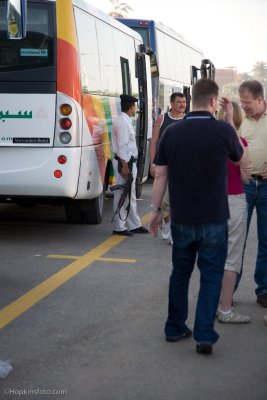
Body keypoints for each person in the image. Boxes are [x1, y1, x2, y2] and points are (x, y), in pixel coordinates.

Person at [149, 79, 245, 355]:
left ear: (192, 101)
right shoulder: (223, 132)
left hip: (181, 218)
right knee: (211, 276)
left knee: (180, 273)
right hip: (214, 218)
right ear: (214, 101)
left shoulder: (172, 132)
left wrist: (156, 212)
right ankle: (204, 335)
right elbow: (239, 159)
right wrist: (228, 121)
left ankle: (174, 326)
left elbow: (161, 175)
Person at [217, 101, 251, 323]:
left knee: (213, 256)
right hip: (235, 201)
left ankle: (209, 304)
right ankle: (225, 310)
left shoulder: (211, 141)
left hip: (212, 201)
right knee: (231, 259)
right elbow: (246, 175)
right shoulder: (241, 143)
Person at [237, 80, 267, 307]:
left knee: (266, 241)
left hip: (266, 187)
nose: (244, 106)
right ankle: (230, 289)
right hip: (243, 185)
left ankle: (263, 290)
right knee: (237, 240)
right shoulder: (238, 120)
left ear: (260, 99)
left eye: (247, 103)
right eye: (241, 102)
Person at [150, 93, 187, 243]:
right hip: (163, 165)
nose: (182, 105)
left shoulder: (188, 119)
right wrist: (153, 163)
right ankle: (167, 222)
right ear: (171, 103)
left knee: (174, 199)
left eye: (184, 102)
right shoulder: (162, 118)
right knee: (164, 201)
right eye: (179, 102)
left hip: (182, 166)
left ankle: (172, 228)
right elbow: (154, 142)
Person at [111, 94, 149, 236]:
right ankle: (118, 227)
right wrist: (125, 166)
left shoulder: (124, 120)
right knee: (122, 194)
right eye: (135, 106)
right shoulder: (122, 122)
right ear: (131, 107)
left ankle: (134, 224)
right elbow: (121, 146)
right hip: (124, 164)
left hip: (128, 162)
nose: (136, 109)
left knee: (130, 194)